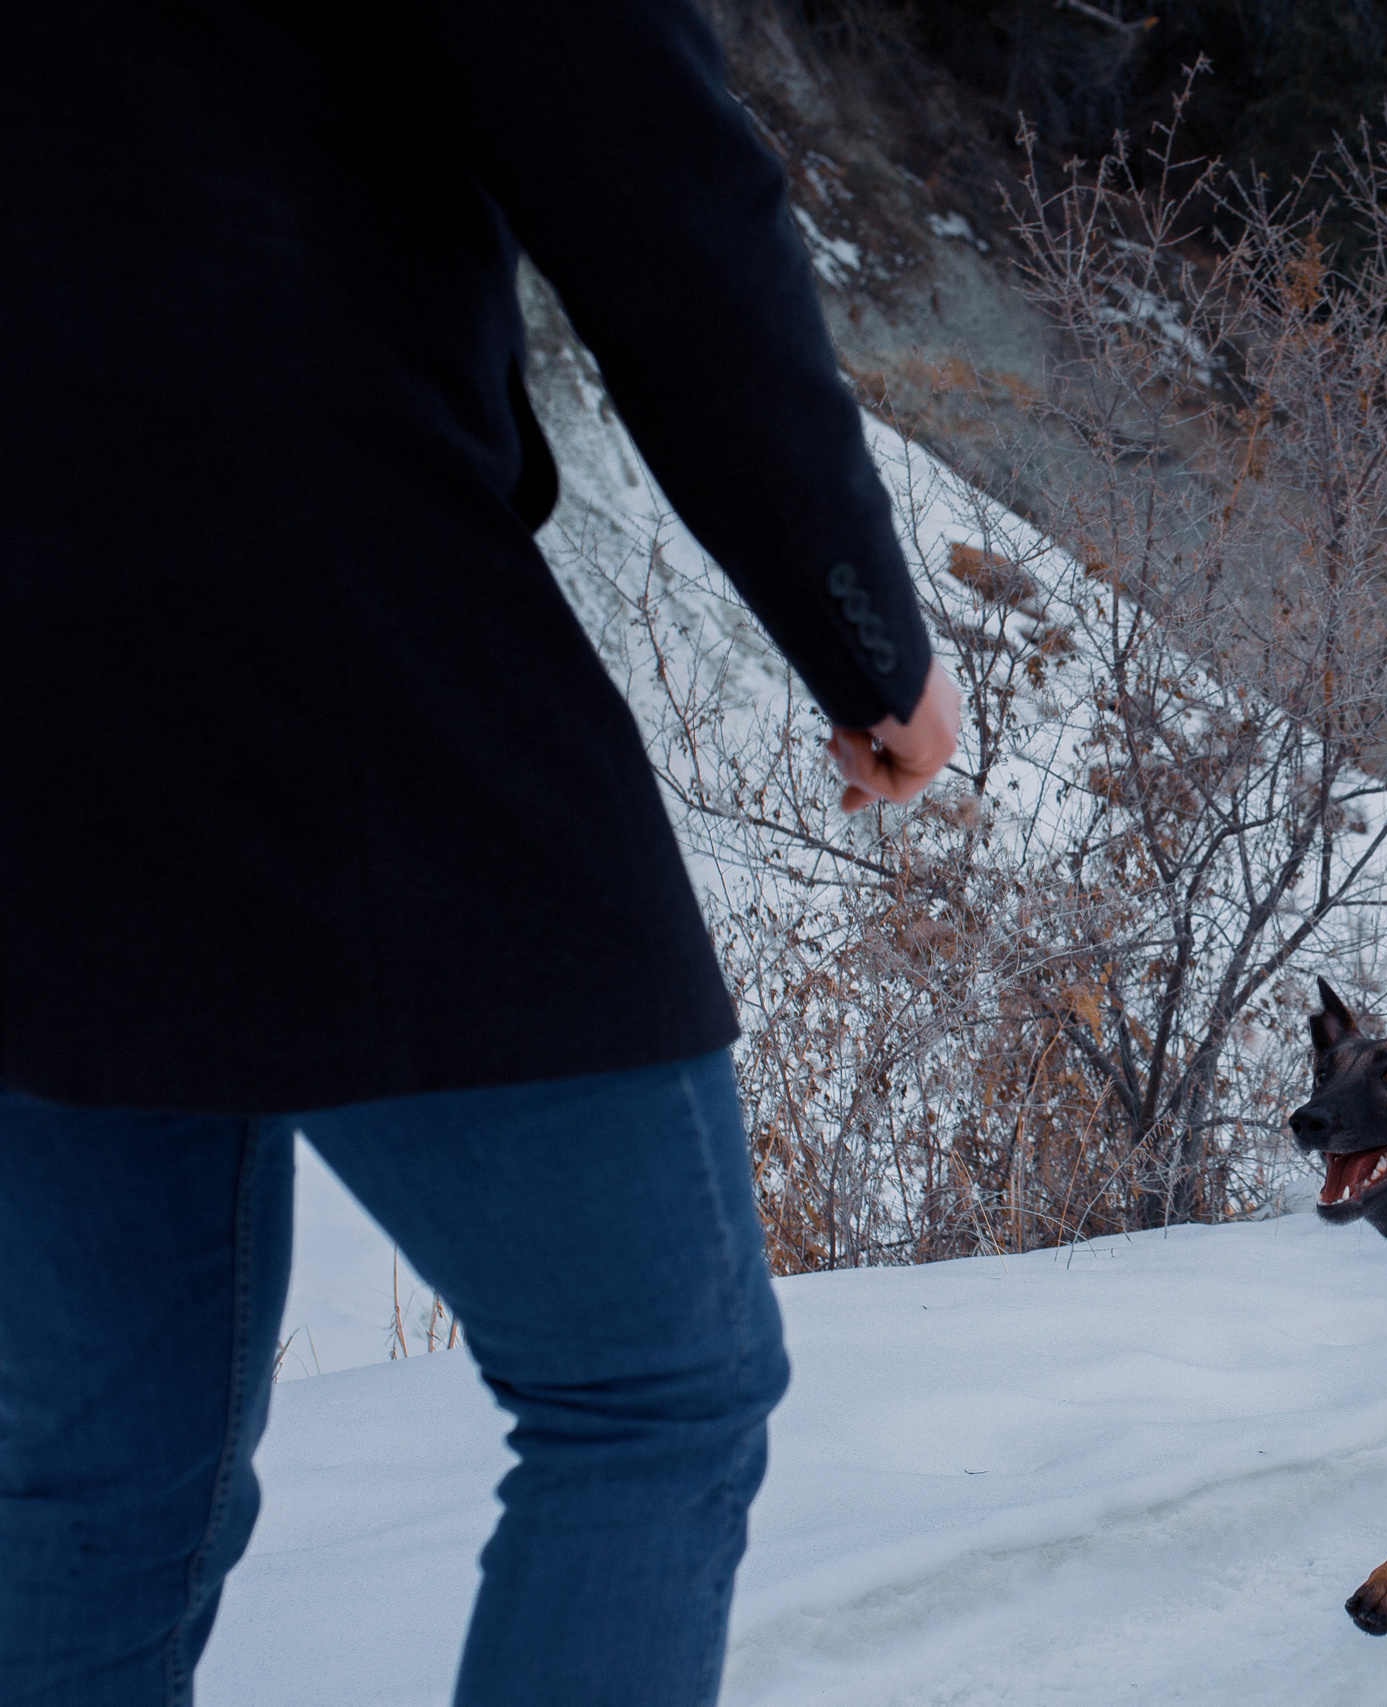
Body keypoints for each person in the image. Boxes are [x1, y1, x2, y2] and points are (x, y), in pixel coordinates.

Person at [0, 4, 959, 1702]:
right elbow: (660, 198)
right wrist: (865, 637)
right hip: (340, 656)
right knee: (655, 1395)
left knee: (96, 1490)